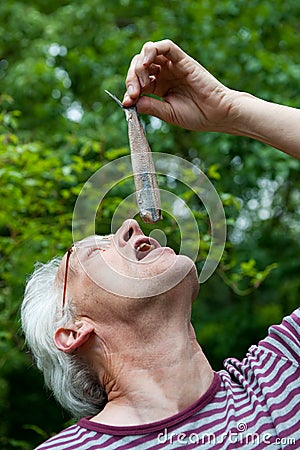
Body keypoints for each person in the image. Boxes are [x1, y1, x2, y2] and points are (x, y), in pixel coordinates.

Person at [21, 40, 299, 449]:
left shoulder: (279, 379)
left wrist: (232, 109)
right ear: (74, 330)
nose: (130, 225)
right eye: (93, 253)